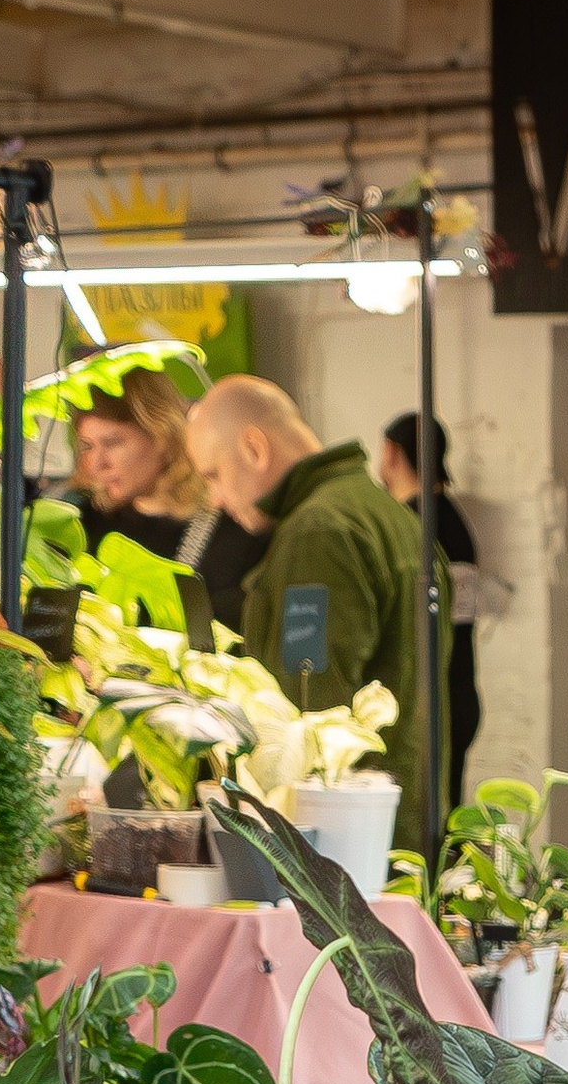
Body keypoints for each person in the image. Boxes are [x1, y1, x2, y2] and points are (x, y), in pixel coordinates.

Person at [184, 375, 446, 854]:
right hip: (398, 831)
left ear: (254, 447)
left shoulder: (319, 533)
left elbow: (302, 714)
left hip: (334, 851)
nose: (216, 500)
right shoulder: (392, 519)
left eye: (213, 475)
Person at [69, 365, 262, 619]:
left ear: (162, 435)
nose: (97, 463)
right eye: (87, 446)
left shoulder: (235, 527)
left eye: (112, 443)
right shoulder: (79, 527)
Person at [378, 410, 482, 802]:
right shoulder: (454, 521)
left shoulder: (410, 526)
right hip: (461, 692)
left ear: (391, 453)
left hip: (427, 703)